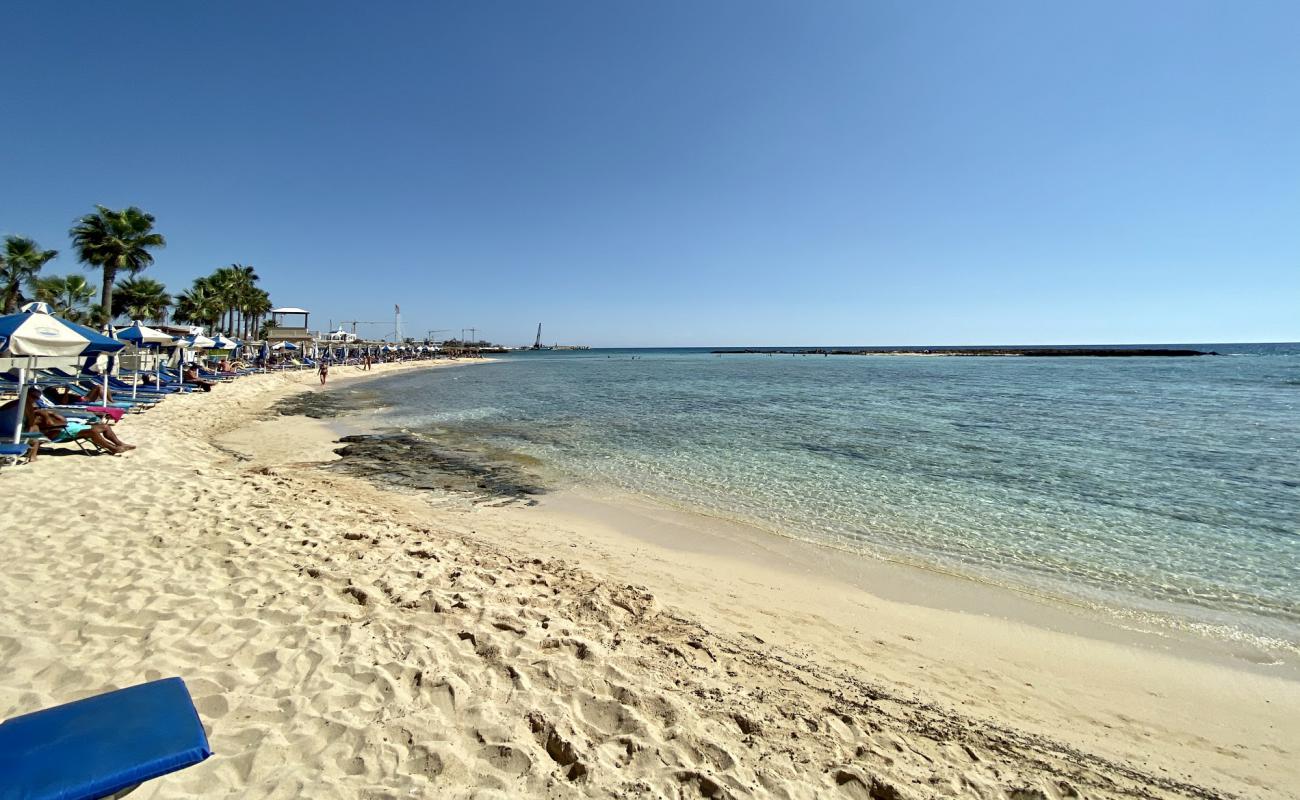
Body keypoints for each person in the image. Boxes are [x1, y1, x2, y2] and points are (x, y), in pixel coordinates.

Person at [0, 389, 134, 459]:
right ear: (27, 396)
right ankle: (113, 449)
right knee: (93, 432)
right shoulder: (27, 407)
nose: (36, 400)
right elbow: (37, 424)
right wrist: (45, 414)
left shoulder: (20, 405)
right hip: (57, 432)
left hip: (62, 427)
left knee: (105, 426)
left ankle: (119, 444)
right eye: (34, 397)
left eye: (37, 398)